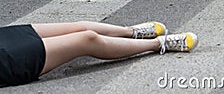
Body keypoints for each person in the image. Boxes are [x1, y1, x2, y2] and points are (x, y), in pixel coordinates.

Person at [0, 20, 198, 87]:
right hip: (6, 60)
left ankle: (131, 32)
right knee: (86, 39)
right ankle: (157, 44)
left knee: (75, 27)